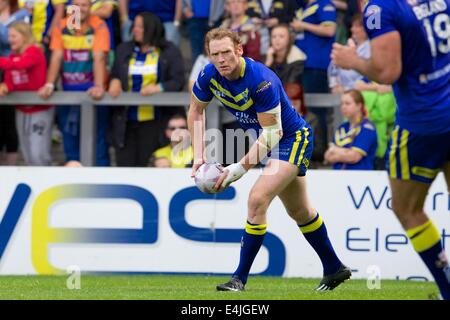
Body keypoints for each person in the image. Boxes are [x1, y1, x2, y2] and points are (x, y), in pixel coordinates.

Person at [188, 28, 351, 292]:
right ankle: (334, 267)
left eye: (227, 52)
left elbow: (274, 132)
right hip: (268, 140)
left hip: (291, 138)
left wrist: (237, 170)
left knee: (257, 198)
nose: (221, 59)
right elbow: (196, 109)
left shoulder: (261, 80)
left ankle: (238, 279)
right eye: (215, 54)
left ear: (239, 50)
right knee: (300, 211)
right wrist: (198, 156)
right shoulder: (208, 75)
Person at [331, 0, 450, 299]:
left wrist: (353, 59)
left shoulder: (380, 7)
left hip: (423, 124)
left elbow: (387, 70)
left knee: (406, 208)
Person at [38, 0, 111, 166]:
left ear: (90, 7)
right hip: (68, 95)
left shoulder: (99, 26)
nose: (80, 9)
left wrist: (99, 86)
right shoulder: (62, 26)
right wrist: (49, 84)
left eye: (85, 5)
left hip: (92, 95)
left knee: (98, 144)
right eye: (76, 5)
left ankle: (102, 184)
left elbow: (99, 57)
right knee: (70, 144)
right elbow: (56, 56)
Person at [108, 12, 185, 167]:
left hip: (156, 122)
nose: (134, 29)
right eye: (134, 26)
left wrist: (158, 87)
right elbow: (116, 73)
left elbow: (178, 80)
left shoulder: (169, 51)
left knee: (150, 165)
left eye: (140, 26)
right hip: (126, 121)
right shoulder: (124, 49)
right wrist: (114, 80)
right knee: (125, 165)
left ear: (151, 29)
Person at [0, 22, 53, 166]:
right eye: (9, 36)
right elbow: (10, 80)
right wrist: (5, 87)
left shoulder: (34, 51)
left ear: (24, 37)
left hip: (39, 110)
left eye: (13, 36)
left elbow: (21, 65)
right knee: (28, 154)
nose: (9, 39)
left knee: (38, 154)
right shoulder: (11, 56)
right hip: (22, 110)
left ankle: (47, 182)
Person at [324, 90, 377, 170]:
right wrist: (346, 152)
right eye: (342, 104)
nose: (343, 107)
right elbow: (327, 156)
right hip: (338, 177)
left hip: (359, 178)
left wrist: (335, 150)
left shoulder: (367, 128)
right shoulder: (342, 127)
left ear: (359, 106)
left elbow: (354, 157)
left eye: (347, 103)